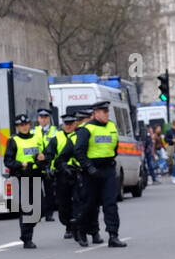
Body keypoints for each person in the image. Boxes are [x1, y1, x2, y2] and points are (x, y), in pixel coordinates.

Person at [72, 100, 126, 247]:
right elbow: (79, 151)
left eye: (107, 111)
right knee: (89, 204)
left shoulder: (111, 127)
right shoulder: (86, 129)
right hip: (91, 171)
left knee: (111, 203)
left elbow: (114, 147)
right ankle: (81, 231)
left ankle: (113, 235)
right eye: (103, 112)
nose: (106, 114)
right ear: (95, 113)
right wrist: (88, 167)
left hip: (107, 169)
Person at [4, 113, 46, 248]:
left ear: (29, 125)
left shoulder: (37, 139)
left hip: (35, 175)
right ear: (17, 127)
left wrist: (41, 159)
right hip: (21, 177)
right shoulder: (13, 141)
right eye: (21, 125)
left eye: (26, 124)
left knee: (40, 210)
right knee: (27, 209)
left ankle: (25, 232)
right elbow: (8, 161)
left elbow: (43, 156)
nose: (24, 127)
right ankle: (27, 238)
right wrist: (20, 164)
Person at [46, 112, 84, 239]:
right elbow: (49, 155)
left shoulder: (80, 135)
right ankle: (68, 225)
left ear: (75, 123)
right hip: (62, 174)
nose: (68, 126)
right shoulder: (56, 138)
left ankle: (77, 226)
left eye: (71, 123)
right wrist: (48, 168)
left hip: (78, 172)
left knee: (78, 200)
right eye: (66, 124)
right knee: (63, 203)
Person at [35, 109, 58, 220]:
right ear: (38, 119)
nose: (43, 120)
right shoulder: (33, 132)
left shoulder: (55, 131)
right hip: (37, 165)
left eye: (46, 117)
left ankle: (49, 214)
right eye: (41, 117)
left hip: (50, 165)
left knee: (49, 191)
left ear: (49, 119)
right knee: (37, 191)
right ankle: (39, 213)